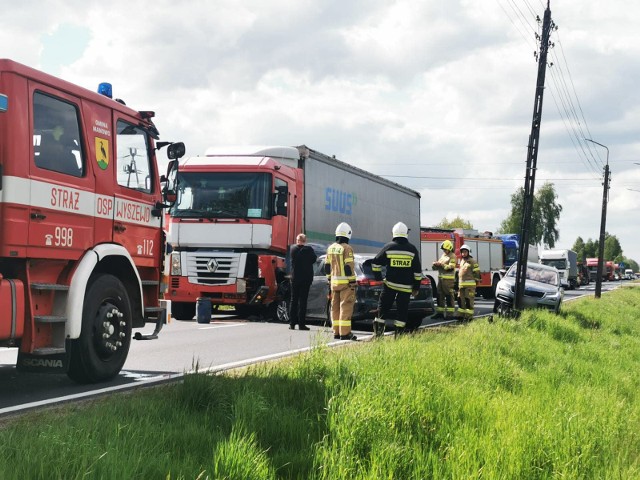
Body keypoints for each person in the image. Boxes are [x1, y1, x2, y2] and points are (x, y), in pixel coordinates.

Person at [371, 222, 423, 336]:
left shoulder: (389, 247)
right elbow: (417, 272)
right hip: (406, 288)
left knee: (382, 309)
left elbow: (375, 263)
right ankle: (398, 336)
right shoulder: (412, 249)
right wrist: (416, 287)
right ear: (406, 233)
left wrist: (379, 278)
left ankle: (378, 335)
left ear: (393, 233)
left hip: (389, 285)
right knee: (402, 312)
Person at [324, 222, 357, 341]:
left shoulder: (330, 248)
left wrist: (329, 279)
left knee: (335, 308)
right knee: (346, 308)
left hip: (334, 284)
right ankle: (345, 333)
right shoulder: (347, 248)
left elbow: (327, 267)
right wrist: (352, 282)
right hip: (346, 285)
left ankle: (336, 332)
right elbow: (348, 268)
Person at [288, 233, 317, 330]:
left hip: (295, 278)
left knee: (293, 300)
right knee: (303, 301)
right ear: (305, 240)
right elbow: (314, 260)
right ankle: (301, 324)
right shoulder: (309, 250)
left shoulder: (293, 249)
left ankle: (292, 323)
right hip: (306, 279)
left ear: (297, 240)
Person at [431, 239, 457, 320]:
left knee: (449, 297)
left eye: (445, 249)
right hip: (441, 280)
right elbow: (437, 267)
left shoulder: (453, 256)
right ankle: (440, 313)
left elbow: (450, 268)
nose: (444, 251)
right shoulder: (443, 256)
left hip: (448, 281)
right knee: (439, 296)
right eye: (443, 249)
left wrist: (441, 264)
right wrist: (435, 265)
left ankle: (450, 314)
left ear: (449, 248)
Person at [457, 244, 480, 322]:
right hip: (461, 285)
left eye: (465, 252)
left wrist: (476, 282)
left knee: (469, 300)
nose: (463, 253)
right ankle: (461, 315)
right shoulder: (462, 261)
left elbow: (477, 273)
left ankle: (469, 317)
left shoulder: (472, 261)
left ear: (468, 252)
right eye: (462, 252)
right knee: (461, 300)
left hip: (470, 286)